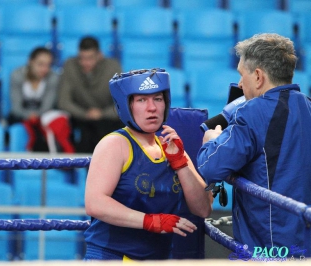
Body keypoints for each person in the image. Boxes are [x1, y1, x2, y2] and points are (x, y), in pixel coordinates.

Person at [197, 33, 311, 257]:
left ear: (258, 76)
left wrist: (211, 141)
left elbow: (211, 167)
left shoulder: (252, 111)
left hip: (267, 248)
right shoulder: (308, 106)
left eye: (242, 75)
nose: (240, 84)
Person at [84, 68, 213, 260]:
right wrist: (151, 221)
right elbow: (95, 204)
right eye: (142, 100)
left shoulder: (171, 146)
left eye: (158, 99)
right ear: (127, 105)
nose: (152, 108)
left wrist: (181, 163)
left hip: (156, 259)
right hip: (111, 256)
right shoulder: (115, 144)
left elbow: (203, 209)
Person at [57, 36, 124, 153]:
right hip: (80, 118)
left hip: (106, 119)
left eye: (90, 58)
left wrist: (102, 114)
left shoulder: (113, 67)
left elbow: (122, 103)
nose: (85, 63)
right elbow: (63, 101)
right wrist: (85, 114)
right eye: (81, 58)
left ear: (100, 55)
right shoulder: (70, 65)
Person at [7, 47, 74, 153]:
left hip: (42, 116)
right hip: (20, 115)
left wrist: (35, 116)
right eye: (40, 64)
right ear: (30, 62)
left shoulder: (53, 77)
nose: (44, 69)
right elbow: (16, 106)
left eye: (48, 65)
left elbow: (48, 105)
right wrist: (29, 115)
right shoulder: (17, 75)